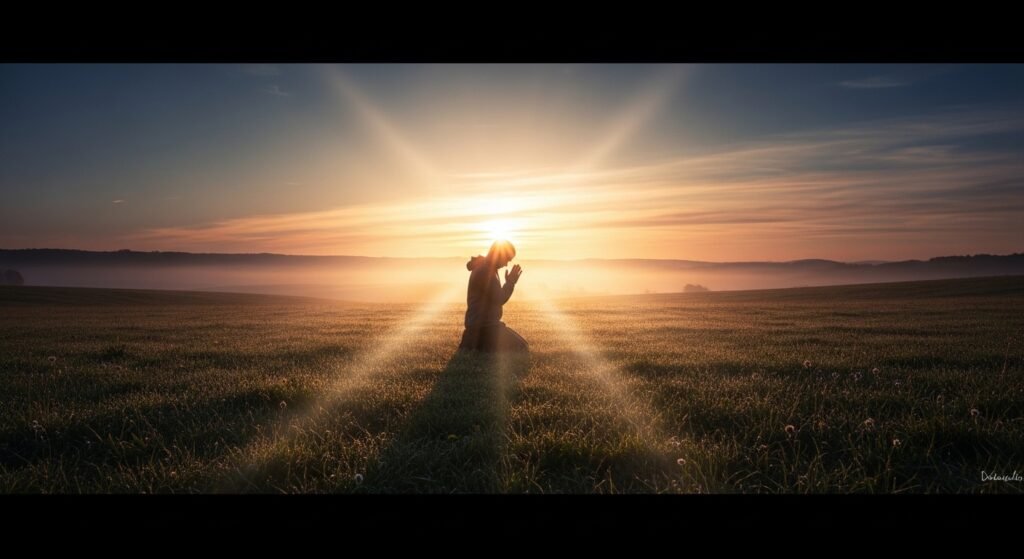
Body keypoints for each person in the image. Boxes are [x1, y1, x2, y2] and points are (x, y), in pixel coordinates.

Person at [458, 240, 528, 353]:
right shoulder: (485, 271)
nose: (506, 264)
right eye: (507, 259)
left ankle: (473, 345)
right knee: (521, 347)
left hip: (485, 325)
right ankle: (478, 346)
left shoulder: (487, 268)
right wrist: (510, 282)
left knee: (522, 345)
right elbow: (499, 299)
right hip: (484, 328)